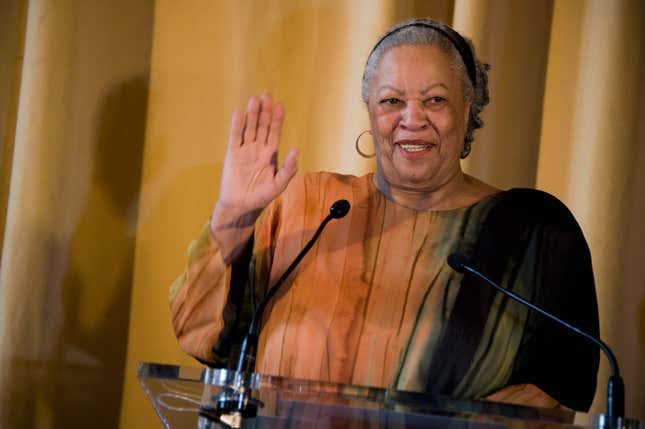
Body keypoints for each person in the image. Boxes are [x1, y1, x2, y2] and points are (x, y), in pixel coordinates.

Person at [169, 19, 599, 412]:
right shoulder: (312, 207)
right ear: (371, 114)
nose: (412, 119)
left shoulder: (531, 235)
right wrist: (232, 217)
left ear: (467, 110)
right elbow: (201, 337)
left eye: (435, 100)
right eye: (392, 100)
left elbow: (556, 393)